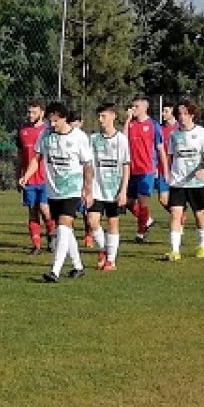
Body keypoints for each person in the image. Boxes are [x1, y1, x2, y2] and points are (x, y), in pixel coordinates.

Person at [21, 101, 92, 282]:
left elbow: (87, 165)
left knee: (62, 227)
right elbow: (37, 158)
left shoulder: (79, 137)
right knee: (66, 230)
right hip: (53, 190)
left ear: (64, 118)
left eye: (55, 121)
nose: (52, 125)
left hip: (72, 190)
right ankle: (78, 266)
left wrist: (87, 190)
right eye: (50, 121)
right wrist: (26, 176)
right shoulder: (45, 135)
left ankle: (55, 270)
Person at [161, 100, 204, 262]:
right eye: (180, 114)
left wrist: (203, 167)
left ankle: (202, 244)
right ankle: (175, 251)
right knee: (176, 214)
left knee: (199, 214)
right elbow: (170, 157)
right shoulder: (174, 135)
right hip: (178, 182)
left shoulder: (202, 132)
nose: (182, 117)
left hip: (197, 183)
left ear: (192, 115)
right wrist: (167, 174)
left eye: (185, 113)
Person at [85, 102, 130, 272]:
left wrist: (123, 190)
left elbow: (126, 166)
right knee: (92, 220)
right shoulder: (93, 139)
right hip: (96, 189)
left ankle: (111, 260)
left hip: (114, 189)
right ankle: (104, 248)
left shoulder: (121, 140)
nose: (100, 119)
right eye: (99, 116)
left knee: (112, 222)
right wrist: (87, 188)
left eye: (103, 116)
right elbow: (88, 165)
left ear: (113, 116)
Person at [15, 99, 56, 257]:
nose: (30, 115)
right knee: (32, 210)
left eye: (34, 112)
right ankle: (36, 245)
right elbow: (20, 156)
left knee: (45, 210)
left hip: (46, 177)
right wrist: (19, 175)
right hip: (28, 178)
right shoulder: (22, 131)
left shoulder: (49, 130)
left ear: (42, 113)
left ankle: (51, 237)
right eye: (29, 112)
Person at [124, 95, 166, 244]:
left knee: (142, 202)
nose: (132, 109)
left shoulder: (153, 125)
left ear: (144, 107)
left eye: (136, 106)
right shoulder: (130, 124)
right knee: (128, 202)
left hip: (146, 170)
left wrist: (164, 171)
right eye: (132, 106)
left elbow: (160, 149)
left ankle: (140, 233)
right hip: (131, 170)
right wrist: (127, 120)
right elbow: (123, 141)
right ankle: (147, 220)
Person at [155, 103, 178, 214]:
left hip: (177, 168)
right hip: (162, 168)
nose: (163, 114)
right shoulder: (159, 129)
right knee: (163, 199)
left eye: (166, 111)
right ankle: (179, 215)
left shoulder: (180, 128)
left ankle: (178, 217)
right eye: (163, 111)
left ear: (173, 112)